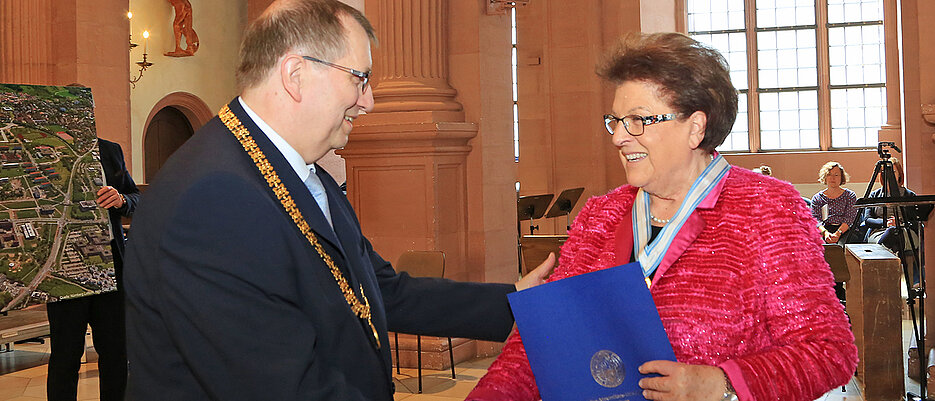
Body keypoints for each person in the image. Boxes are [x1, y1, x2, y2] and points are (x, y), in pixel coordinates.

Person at [122, 1, 552, 399]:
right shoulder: (214, 199)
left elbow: (379, 291)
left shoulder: (300, 172)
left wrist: (516, 303)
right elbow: (282, 386)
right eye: (359, 78)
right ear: (295, 75)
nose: (368, 101)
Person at [468, 32, 856, 401]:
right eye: (615, 121)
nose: (619, 136)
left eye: (638, 120)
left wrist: (720, 383)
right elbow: (537, 348)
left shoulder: (766, 208)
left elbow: (828, 352)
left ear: (695, 127)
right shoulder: (601, 215)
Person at [46, 138, 140, 401]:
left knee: (116, 354)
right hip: (63, 273)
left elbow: (136, 198)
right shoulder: (40, 153)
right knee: (65, 356)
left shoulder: (110, 150)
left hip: (111, 270)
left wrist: (121, 199)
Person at [811, 161, 859, 244]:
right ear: (825, 177)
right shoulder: (817, 198)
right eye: (829, 174)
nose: (832, 178)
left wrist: (838, 234)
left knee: (840, 248)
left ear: (841, 178)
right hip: (824, 229)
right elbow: (815, 219)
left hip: (845, 230)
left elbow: (850, 218)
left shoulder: (849, 195)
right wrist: (825, 233)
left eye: (836, 175)